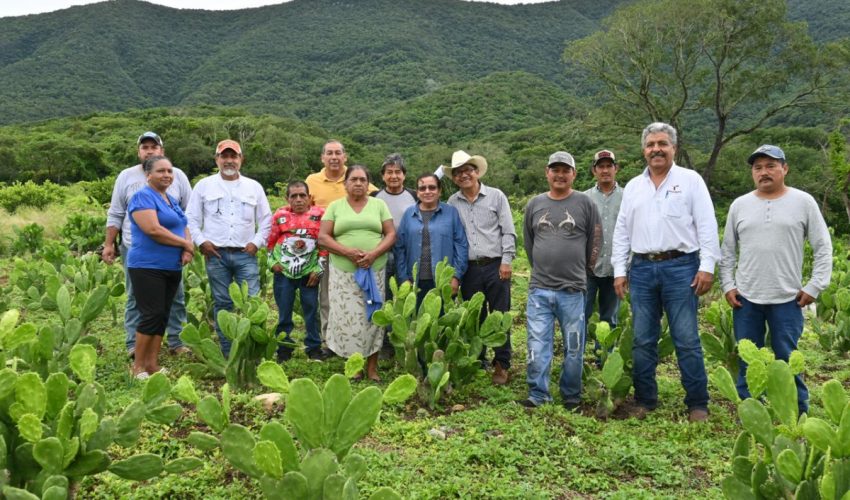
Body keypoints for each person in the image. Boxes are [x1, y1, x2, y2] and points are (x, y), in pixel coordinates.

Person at [611, 122, 720, 422]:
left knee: (686, 338)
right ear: (643, 150)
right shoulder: (633, 186)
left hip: (681, 267)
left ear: (674, 148)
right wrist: (620, 270)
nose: (656, 149)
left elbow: (707, 224)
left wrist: (707, 266)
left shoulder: (691, 181)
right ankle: (645, 400)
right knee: (643, 339)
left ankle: (698, 404)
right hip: (642, 268)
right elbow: (622, 231)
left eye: (662, 144)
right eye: (650, 145)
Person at [719, 145, 832, 415]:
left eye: (771, 166)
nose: (764, 172)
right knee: (748, 360)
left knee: (788, 360)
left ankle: (797, 412)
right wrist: (727, 285)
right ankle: (750, 412)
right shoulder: (739, 205)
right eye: (758, 167)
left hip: (788, 299)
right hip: (746, 298)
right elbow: (727, 251)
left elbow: (823, 246)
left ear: (785, 169)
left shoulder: (803, 202)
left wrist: (814, 286)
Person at [520, 152, 601, 409]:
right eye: (555, 169)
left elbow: (595, 239)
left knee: (574, 347)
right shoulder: (535, 204)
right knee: (536, 344)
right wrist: (542, 267)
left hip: (573, 290)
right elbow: (528, 241)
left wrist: (583, 269)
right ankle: (538, 394)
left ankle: (571, 395)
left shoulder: (585, 204)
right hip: (539, 290)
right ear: (547, 173)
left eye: (565, 170)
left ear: (574, 174)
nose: (560, 174)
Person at [102, 131, 192, 358]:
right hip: (137, 249)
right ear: (139, 152)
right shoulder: (127, 178)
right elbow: (116, 213)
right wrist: (109, 244)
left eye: (154, 146)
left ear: (162, 150)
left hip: (171, 254)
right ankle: (135, 347)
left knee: (175, 298)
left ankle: (176, 342)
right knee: (136, 299)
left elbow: (187, 214)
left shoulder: (178, 177)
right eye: (145, 147)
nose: (149, 150)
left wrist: (185, 245)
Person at [186, 139, 272, 357]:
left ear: (241, 159)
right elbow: (191, 218)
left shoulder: (254, 187)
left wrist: (256, 242)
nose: (229, 160)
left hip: (246, 254)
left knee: (252, 303)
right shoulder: (203, 186)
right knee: (223, 304)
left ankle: (253, 353)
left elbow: (266, 220)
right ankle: (228, 353)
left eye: (233, 156)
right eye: (224, 156)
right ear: (217, 159)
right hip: (216, 254)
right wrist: (201, 242)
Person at [318, 165, 396, 381]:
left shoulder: (379, 205)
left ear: (368, 183)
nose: (359, 183)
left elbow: (390, 234)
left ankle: (372, 367)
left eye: (363, 179)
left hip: (374, 269)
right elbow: (323, 237)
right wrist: (348, 252)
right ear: (345, 184)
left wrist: (373, 254)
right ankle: (354, 366)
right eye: (354, 179)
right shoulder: (335, 207)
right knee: (347, 318)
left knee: (373, 316)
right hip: (343, 272)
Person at [446, 150, 516, 386]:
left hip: (496, 265)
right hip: (469, 268)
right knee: (474, 316)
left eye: (468, 170)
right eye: (458, 172)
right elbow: (454, 239)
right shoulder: (452, 202)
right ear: (454, 178)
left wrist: (507, 261)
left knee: (499, 315)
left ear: (477, 172)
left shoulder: (496, 196)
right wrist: (455, 272)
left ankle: (501, 364)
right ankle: (478, 359)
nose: (464, 175)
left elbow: (508, 230)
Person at [125, 156, 194, 379]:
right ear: (148, 175)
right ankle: (137, 367)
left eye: (169, 171)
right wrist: (185, 244)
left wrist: (186, 249)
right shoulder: (142, 197)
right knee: (151, 314)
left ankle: (152, 364)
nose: (166, 175)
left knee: (162, 315)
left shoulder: (170, 199)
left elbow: (183, 224)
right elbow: (153, 229)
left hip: (171, 266)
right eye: (161, 171)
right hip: (147, 266)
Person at [306, 140, 378, 351]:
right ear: (322, 157)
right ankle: (331, 340)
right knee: (328, 296)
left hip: (358, 254)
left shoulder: (353, 176)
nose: (334, 157)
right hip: (325, 248)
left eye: (338, 153)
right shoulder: (312, 180)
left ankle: (362, 337)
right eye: (330, 153)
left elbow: (375, 196)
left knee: (357, 294)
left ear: (345, 157)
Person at [267, 181, 327, 362]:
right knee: (284, 311)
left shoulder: (320, 215)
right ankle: (284, 349)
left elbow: (324, 245)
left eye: (302, 195)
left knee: (311, 309)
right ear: (287, 199)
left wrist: (319, 269)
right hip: (284, 272)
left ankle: (314, 348)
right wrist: (272, 263)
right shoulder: (280, 216)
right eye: (294, 196)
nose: (299, 199)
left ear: (309, 198)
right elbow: (270, 243)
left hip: (309, 272)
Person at [394, 173, 468, 304]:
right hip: (414, 282)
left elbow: (461, 246)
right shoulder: (408, 214)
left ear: (439, 191)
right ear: (417, 192)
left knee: (442, 321)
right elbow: (399, 248)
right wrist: (403, 278)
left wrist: (456, 276)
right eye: (422, 188)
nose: (427, 191)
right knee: (416, 322)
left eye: (432, 187)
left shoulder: (451, 212)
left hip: (444, 281)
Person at [583, 150, 624, 352]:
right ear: (594, 170)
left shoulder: (628, 197)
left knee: (610, 318)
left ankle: (605, 359)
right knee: (581, 315)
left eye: (609, 166)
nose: (605, 170)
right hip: (587, 270)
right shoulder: (584, 199)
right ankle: (576, 358)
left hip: (615, 270)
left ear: (616, 169)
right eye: (601, 166)